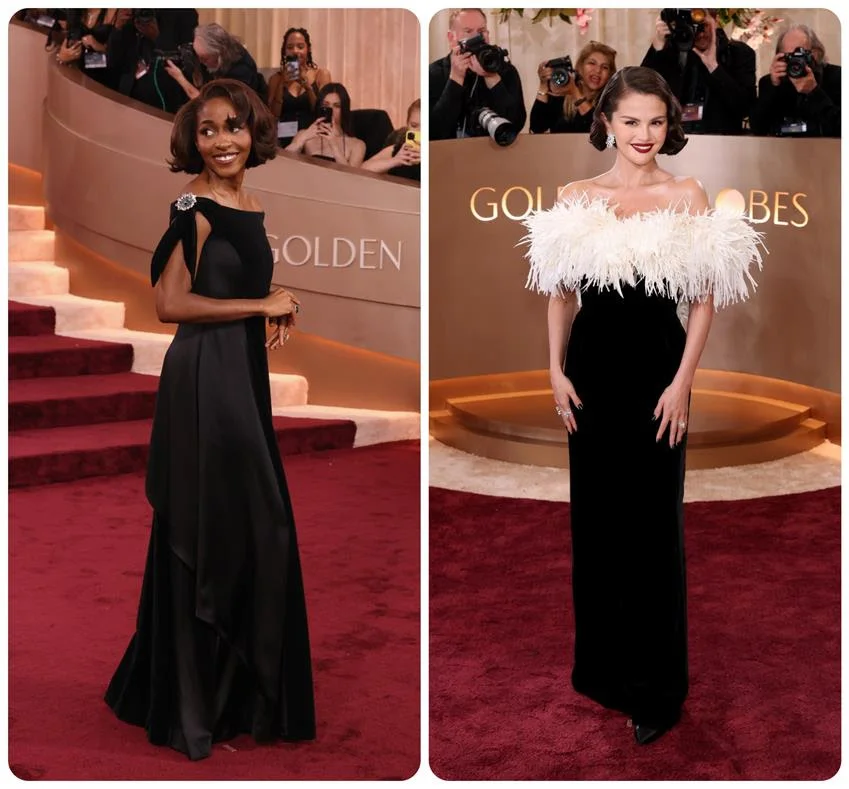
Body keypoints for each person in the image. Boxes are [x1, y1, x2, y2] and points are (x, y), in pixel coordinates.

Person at [521, 66, 765, 745]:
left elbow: (705, 296)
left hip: (659, 367)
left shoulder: (685, 194)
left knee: (653, 529)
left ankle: (657, 689)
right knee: (596, 524)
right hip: (589, 371)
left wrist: (683, 380)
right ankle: (604, 669)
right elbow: (559, 292)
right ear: (603, 121)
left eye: (655, 121)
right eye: (630, 121)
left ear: (669, 124)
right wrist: (552, 371)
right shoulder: (573, 196)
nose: (643, 134)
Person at [104, 78, 316, 761]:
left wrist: (271, 304)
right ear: (190, 140)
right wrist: (260, 307)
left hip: (239, 376)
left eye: (233, 127)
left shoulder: (249, 202)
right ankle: (196, 701)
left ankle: (234, 691)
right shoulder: (192, 204)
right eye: (207, 130)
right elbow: (170, 304)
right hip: (201, 380)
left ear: (253, 132)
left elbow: (242, 287)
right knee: (234, 522)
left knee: (255, 525)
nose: (222, 140)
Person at [641, 9, 756, 134]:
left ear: (716, 21)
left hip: (722, 142)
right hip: (675, 139)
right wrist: (658, 45)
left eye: (703, 26)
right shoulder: (674, 52)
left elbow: (745, 108)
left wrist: (713, 67)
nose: (700, 33)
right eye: (693, 27)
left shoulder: (739, 53)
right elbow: (642, 93)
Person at [429, 7, 526, 140]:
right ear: (452, 38)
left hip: (496, 155)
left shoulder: (505, 70)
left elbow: (516, 125)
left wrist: (491, 77)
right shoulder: (434, 73)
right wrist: (456, 78)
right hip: (449, 156)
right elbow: (434, 132)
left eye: (481, 31)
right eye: (468, 31)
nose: (477, 38)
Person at [749, 24, 840, 138]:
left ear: (816, 54)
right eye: (789, 56)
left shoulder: (837, 77)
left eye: (800, 54)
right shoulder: (769, 82)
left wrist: (813, 92)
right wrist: (774, 87)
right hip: (782, 151)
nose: (795, 61)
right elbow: (758, 129)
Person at [106, 8, 198, 114]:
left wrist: (156, 37)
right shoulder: (131, 12)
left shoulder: (184, 13)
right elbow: (113, 61)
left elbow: (187, 64)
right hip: (129, 95)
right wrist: (118, 27)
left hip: (164, 97)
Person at [530, 40, 617, 134]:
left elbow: (599, 131)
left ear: (610, 75)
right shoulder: (561, 94)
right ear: (580, 66)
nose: (598, 70)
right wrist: (543, 86)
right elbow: (537, 127)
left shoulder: (612, 101)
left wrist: (575, 92)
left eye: (605, 67)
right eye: (592, 63)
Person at [266, 27, 332, 148]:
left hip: (313, 135)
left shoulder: (321, 75)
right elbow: (272, 115)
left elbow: (322, 112)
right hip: (283, 136)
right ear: (284, 51)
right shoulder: (275, 79)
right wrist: (282, 84)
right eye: (290, 47)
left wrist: (307, 87)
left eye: (300, 47)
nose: (295, 51)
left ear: (308, 49)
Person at [164, 22, 263, 103]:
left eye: (204, 58)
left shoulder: (240, 72)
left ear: (219, 55)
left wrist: (180, 78)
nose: (200, 61)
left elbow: (208, 104)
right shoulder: (222, 55)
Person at [286, 82, 366, 166]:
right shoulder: (304, 134)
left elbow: (352, 177)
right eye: (326, 105)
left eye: (337, 106)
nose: (331, 110)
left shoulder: (357, 145)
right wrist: (301, 140)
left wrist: (334, 145)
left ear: (344, 110)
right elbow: (283, 163)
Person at [53, 8, 118, 89]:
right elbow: (66, 45)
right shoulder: (75, 12)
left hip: (103, 82)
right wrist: (62, 56)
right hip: (77, 76)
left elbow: (117, 60)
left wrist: (99, 47)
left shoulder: (116, 12)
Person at [361, 98, 421, 181]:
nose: (419, 131)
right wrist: (395, 160)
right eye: (414, 126)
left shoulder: (438, 152)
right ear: (407, 125)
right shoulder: (398, 149)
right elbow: (362, 170)